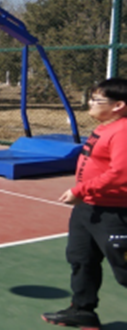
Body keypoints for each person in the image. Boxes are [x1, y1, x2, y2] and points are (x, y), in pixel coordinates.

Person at [42, 78, 127, 329]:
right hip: (88, 209)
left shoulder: (123, 131)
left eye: (97, 99)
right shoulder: (105, 127)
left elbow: (120, 173)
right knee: (81, 259)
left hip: (115, 213)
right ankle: (82, 310)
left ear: (118, 105)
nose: (90, 103)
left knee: (124, 270)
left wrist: (80, 189)